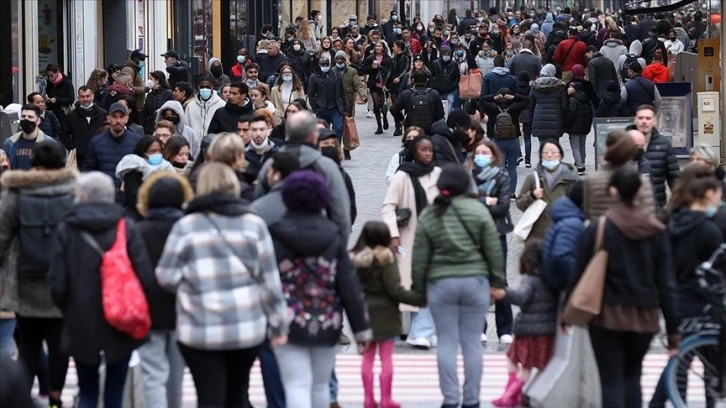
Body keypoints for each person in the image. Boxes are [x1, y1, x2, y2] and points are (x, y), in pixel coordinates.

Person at [154, 162, 287, 407]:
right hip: (245, 327)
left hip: (199, 327)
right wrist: (278, 324)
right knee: (238, 394)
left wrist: (189, 287)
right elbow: (269, 280)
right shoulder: (253, 225)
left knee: (208, 396)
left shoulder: (186, 226)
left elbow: (166, 276)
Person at [568, 166, 679, 408]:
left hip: (606, 314)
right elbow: (667, 283)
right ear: (640, 193)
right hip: (645, 315)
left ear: (613, 191)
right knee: (633, 376)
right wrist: (673, 331)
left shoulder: (599, 227)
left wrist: (566, 314)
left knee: (610, 380)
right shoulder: (657, 231)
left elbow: (578, 273)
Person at [46, 171, 153, 408]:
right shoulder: (126, 227)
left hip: (81, 317)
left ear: (82, 196)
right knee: (115, 392)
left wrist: (67, 309)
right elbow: (145, 275)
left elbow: (57, 282)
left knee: (87, 391)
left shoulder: (67, 229)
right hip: (121, 318)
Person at [266, 170, 371, 408]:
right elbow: (349, 286)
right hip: (326, 319)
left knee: (295, 384)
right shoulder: (332, 236)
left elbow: (265, 279)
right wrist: (361, 328)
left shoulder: (275, 234)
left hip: (287, 318)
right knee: (320, 385)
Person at [411, 164, 504, 408]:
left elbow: (419, 256)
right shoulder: (478, 210)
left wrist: (419, 290)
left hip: (441, 284)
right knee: (472, 343)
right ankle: (472, 400)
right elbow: (493, 249)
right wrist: (497, 282)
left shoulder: (431, 214)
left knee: (447, 342)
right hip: (475, 282)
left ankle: (451, 400)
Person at [0, 141, 74, 407]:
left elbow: (2, 238)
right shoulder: (73, 193)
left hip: (25, 281)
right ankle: (55, 399)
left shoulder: (16, 194)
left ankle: (22, 399)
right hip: (63, 283)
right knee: (59, 344)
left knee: (28, 347)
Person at [649, 164, 724, 408]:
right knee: (706, 359)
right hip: (702, 299)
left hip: (676, 295)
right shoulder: (708, 229)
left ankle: (662, 401)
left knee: (683, 357)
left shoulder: (673, 221)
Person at [134, 171, 193, 408]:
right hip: (183, 309)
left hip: (148, 310)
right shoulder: (188, 229)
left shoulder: (137, 231)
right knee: (176, 377)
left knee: (152, 374)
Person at [352, 221, 426, 408]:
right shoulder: (387, 259)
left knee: (367, 359)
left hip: (364, 315)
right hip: (387, 316)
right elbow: (395, 291)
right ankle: (386, 399)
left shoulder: (355, 261)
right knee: (386, 359)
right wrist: (420, 299)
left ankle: (368, 399)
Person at [382, 136, 441, 350]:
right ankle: (412, 330)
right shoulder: (403, 175)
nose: (428, 153)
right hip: (408, 237)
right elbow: (388, 206)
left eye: (430, 150)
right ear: (414, 152)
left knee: (431, 282)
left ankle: (424, 330)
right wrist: (393, 234)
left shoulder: (437, 174)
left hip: (434, 238)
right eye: (424, 149)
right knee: (407, 285)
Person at [255, 111, 352, 240]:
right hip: (319, 240)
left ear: (287, 134)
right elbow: (341, 213)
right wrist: (336, 249)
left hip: (277, 242)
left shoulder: (271, 165)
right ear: (313, 136)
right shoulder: (327, 167)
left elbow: (258, 201)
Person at [491, 239, 557, 407]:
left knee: (517, 362)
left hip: (528, 331)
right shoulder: (549, 281)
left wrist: (504, 293)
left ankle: (510, 394)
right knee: (526, 365)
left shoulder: (530, 280)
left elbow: (521, 297)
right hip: (544, 330)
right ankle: (513, 394)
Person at [472, 141, 514, 344]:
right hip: (473, 234)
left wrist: (478, 202)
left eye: (485, 152)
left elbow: (504, 207)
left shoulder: (501, 176)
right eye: (477, 152)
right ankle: (478, 326)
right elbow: (465, 204)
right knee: (477, 279)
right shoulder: (468, 177)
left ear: (493, 155)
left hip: (497, 233)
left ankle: (505, 328)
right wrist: (489, 200)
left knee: (499, 279)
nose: (480, 156)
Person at [582, 130, 657, 219]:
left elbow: (588, 212)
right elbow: (650, 213)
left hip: (604, 229)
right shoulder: (643, 181)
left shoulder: (592, 181)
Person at [516, 140, 578, 241]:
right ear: (541, 155)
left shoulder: (571, 178)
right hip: (538, 236)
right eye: (545, 152)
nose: (549, 155)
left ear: (560, 155)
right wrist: (532, 196)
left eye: (553, 152)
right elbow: (519, 204)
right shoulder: (533, 178)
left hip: (563, 233)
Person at [82, 102, 142, 203]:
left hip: (130, 200)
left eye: (121, 117)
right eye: (114, 117)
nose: (118, 121)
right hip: (105, 200)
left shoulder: (137, 141)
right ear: (108, 118)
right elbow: (89, 171)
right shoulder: (96, 142)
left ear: (126, 119)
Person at [478, 87, 528, 192]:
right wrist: (514, 97)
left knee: (499, 168)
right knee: (512, 168)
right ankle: (512, 192)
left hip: (497, 140)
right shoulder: (515, 107)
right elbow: (526, 100)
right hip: (513, 140)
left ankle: (501, 191)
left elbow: (482, 99)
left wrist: (493, 97)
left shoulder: (492, 107)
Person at [629, 105, 679, 208]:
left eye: (648, 118)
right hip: (629, 206)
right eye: (640, 118)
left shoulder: (664, 144)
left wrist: (677, 205)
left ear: (654, 121)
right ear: (635, 120)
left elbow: (674, 177)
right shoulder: (624, 141)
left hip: (656, 205)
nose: (644, 121)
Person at [541, 183, 586, 292]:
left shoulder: (566, 216)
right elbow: (561, 256)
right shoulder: (573, 224)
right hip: (564, 286)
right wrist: (582, 277)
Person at [114, 135, 173, 217]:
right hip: (136, 215)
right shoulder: (132, 169)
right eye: (153, 151)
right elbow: (132, 197)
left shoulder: (166, 168)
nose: (157, 154)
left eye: (159, 151)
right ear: (144, 153)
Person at [59, 86, 107, 168]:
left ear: (93, 96)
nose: (85, 99)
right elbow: (63, 134)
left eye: (88, 96)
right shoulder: (71, 116)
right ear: (78, 98)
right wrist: (73, 147)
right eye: (82, 97)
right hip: (79, 160)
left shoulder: (103, 114)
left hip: (100, 156)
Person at [249, 151, 300, 226]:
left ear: (277, 175)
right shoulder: (310, 204)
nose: (267, 175)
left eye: (269, 171)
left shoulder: (257, 209)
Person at [333, 50, 367, 158]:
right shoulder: (331, 71)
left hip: (348, 104)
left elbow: (358, 85)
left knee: (348, 127)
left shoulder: (352, 71)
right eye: (337, 59)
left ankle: (347, 148)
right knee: (338, 127)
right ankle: (337, 149)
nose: (339, 61)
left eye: (341, 59)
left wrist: (363, 95)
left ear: (344, 60)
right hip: (335, 103)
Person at [390, 70, 445, 136]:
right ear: (427, 80)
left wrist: (401, 119)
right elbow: (441, 115)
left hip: (411, 130)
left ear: (413, 80)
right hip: (430, 131)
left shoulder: (406, 94)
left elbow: (393, 109)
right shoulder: (434, 94)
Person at [306, 57, 348, 141]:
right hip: (321, 109)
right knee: (322, 132)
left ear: (329, 64)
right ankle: (325, 149)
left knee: (338, 129)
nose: (324, 66)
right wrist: (315, 109)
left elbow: (342, 92)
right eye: (322, 64)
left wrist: (344, 106)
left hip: (335, 108)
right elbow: (311, 94)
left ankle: (336, 148)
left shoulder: (336, 75)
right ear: (319, 64)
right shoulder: (314, 77)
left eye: (326, 64)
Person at [3, 104, 55, 170]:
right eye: (23, 116)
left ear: (38, 120)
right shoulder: (10, 143)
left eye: (30, 117)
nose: (26, 119)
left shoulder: (49, 144)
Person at [360, 41, 395, 134]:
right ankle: (379, 126)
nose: (378, 48)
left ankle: (385, 117)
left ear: (383, 48)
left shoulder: (388, 59)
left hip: (384, 84)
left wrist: (381, 68)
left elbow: (390, 71)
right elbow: (363, 69)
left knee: (383, 105)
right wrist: (372, 67)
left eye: (380, 46)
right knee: (376, 105)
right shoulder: (370, 57)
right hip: (374, 84)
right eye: (376, 46)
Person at [530, 64, 568, 143]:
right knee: (554, 146)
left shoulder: (535, 86)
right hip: (555, 119)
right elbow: (564, 105)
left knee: (543, 146)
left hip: (540, 118)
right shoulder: (559, 86)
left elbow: (531, 104)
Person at [566, 81, 594, 175]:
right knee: (582, 145)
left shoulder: (572, 100)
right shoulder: (585, 99)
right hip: (584, 127)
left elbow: (571, 114)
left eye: (570, 87)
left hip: (574, 127)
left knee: (575, 146)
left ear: (575, 89)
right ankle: (582, 162)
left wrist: (566, 124)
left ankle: (579, 166)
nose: (568, 89)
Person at [244, 113, 278, 182]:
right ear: (249, 132)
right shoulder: (242, 156)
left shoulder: (278, 154)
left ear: (268, 131)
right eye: (254, 130)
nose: (258, 133)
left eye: (262, 129)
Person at [430, 46, 461, 117]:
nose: (446, 56)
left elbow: (457, 77)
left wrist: (453, 85)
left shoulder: (454, 64)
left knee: (450, 110)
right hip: (438, 91)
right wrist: (435, 86)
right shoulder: (435, 63)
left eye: (448, 54)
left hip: (450, 91)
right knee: (439, 110)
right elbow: (431, 76)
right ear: (441, 54)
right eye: (445, 54)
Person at [121, 49, 149, 120]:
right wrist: (143, 89)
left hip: (137, 108)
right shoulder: (129, 69)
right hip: (133, 108)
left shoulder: (135, 69)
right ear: (134, 59)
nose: (143, 61)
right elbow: (126, 88)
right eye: (141, 59)